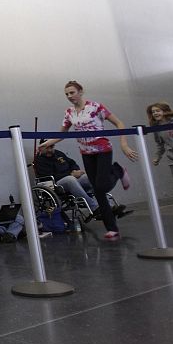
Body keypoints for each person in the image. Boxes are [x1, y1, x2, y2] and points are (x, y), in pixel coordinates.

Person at [38, 80, 138, 240]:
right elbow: (62, 133)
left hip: (102, 150)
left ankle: (118, 170)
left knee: (102, 186)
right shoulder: (69, 113)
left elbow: (119, 123)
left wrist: (124, 145)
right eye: (66, 94)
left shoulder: (96, 107)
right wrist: (48, 142)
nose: (70, 96)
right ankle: (112, 229)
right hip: (86, 153)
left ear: (80, 91)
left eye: (72, 92)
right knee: (98, 192)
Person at [33, 143, 130, 221]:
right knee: (70, 180)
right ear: (41, 149)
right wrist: (71, 175)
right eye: (47, 148)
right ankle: (94, 207)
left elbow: (72, 162)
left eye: (52, 147)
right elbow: (47, 176)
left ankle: (109, 206)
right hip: (56, 183)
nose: (50, 150)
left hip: (72, 178)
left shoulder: (58, 154)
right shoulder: (39, 160)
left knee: (89, 177)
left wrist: (75, 170)